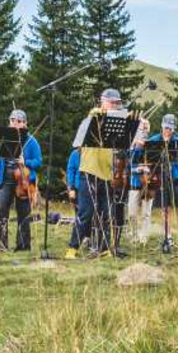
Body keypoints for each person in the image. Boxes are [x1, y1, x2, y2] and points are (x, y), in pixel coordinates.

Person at [66, 88, 129, 259]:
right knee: (86, 213)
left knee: (106, 214)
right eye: (111, 102)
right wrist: (99, 113)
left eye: (117, 103)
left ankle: (104, 249)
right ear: (102, 101)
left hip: (106, 175)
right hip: (89, 172)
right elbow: (77, 143)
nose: (115, 105)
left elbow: (123, 146)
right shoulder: (91, 118)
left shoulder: (116, 124)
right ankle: (72, 248)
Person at [0, 109, 43, 251]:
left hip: (24, 178)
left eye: (19, 121)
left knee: (23, 213)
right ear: (9, 122)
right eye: (13, 121)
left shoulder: (31, 140)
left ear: (25, 124)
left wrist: (25, 162)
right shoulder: (3, 138)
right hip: (5, 177)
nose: (16, 124)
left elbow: (39, 162)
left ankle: (23, 245)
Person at [151, 114, 178, 251]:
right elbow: (145, 154)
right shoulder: (154, 140)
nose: (168, 130)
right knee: (165, 209)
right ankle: (167, 237)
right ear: (162, 125)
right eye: (166, 127)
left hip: (175, 177)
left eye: (171, 128)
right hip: (162, 178)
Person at [125, 133, 153, 244]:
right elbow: (127, 169)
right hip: (134, 184)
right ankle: (135, 234)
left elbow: (157, 165)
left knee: (146, 213)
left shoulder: (152, 150)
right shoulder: (131, 151)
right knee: (132, 213)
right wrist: (137, 169)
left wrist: (148, 169)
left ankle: (143, 236)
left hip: (148, 185)